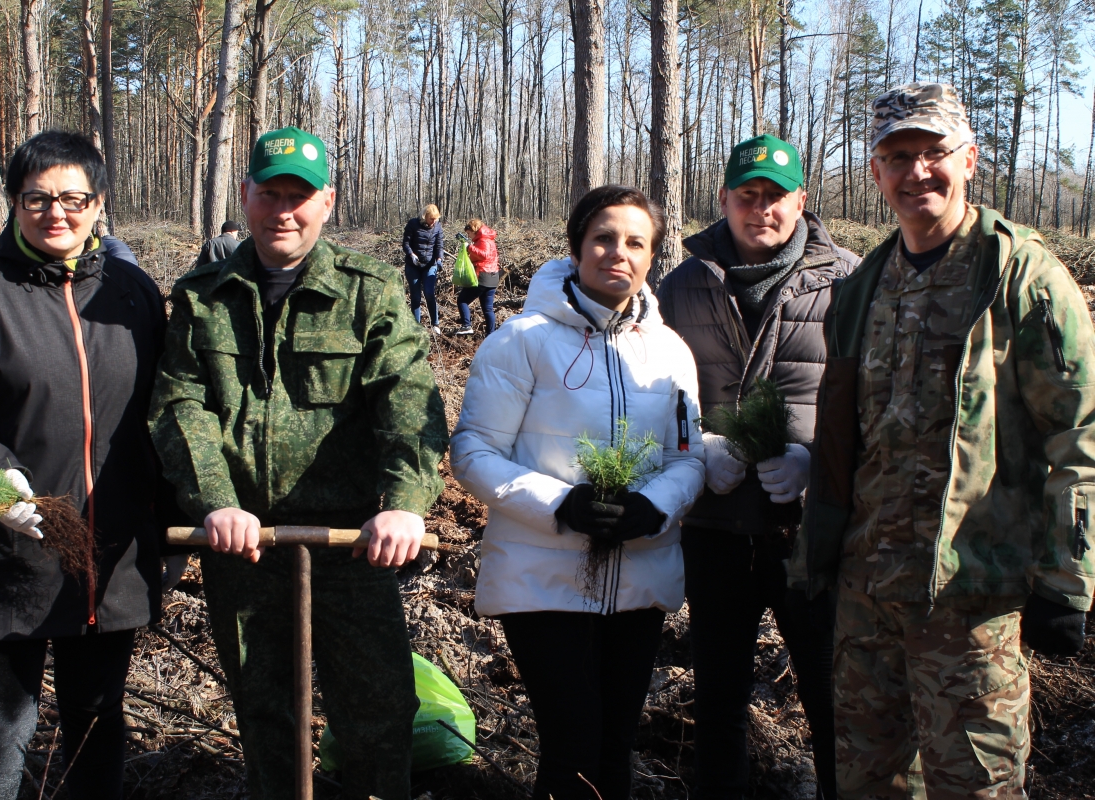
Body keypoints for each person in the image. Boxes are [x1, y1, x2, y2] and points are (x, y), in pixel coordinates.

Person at [790, 82, 1095, 798]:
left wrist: (1067, 580)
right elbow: (844, 438)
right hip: (868, 594)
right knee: (869, 780)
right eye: (897, 156)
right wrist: (818, 554)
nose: (915, 171)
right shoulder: (865, 284)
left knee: (976, 785)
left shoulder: (1021, 276)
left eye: (933, 153)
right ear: (875, 172)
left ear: (970, 159)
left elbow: (1078, 435)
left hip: (971, 595)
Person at [149, 125, 449, 800]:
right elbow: (180, 407)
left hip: (352, 546)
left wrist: (404, 503)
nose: (284, 209)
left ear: (328, 202)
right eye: (271, 192)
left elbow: (407, 401)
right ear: (247, 196)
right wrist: (215, 501)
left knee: (377, 711)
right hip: (242, 544)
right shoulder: (203, 296)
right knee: (265, 712)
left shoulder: (367, 291)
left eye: (301, 196)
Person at [0, 130, 181, 800]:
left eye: (72, 198)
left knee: (95, 721)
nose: (55, 212)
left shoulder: (132, 292)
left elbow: (170, 407)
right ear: (15, 204)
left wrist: (168, 523)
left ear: (98, 204)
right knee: (1, 735)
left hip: (109, 556)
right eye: (37, 199)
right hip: (7, 553)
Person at [452, 185, 705, 800]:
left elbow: (689, 455)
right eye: (604, 238)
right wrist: (559, 504)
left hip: (639, 577)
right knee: (573, 743)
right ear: (576, 247)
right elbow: (473, 453)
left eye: (636, 242)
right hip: (542, 579)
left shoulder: (670, 351)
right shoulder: (522, 341)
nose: (618, 252)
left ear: (652, 256)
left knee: (615, 744)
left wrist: (657, 504)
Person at [656, 134, 858, 800]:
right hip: (715, 527)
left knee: (834, 692)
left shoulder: (850, 283)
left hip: (814, 532)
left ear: (802, 198)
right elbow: (652, 393)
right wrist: (697, 449)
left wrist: (816, 463)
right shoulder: (681, 286)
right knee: (716, 697)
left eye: (776, 196)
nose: (761, 209)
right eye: (748, 196)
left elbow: (874, 402)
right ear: (724, 200)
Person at [402, 203, 444, 333]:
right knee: (415, 297)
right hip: (413, 265)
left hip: (429, 265)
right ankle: (416, 326)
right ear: (425, 216)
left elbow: (439, 245)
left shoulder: (437, 226)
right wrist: (411, 254)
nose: (433, 221)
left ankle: (435, 324)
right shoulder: (413, 224)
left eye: (435, 219)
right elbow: (405, 243)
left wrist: (439, 258)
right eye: (431, 219)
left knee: (429, 293)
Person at [455, 218, 499, 335]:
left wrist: (469, 247)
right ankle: (491, 335)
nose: (468, 236)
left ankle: (466, 325)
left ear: (474, 230)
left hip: (482, 276)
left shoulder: (483, 240)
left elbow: (484, 255)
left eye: (469, 233)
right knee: (488, 309)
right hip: (493, 277)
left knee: (462, 300)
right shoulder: (488, 239)